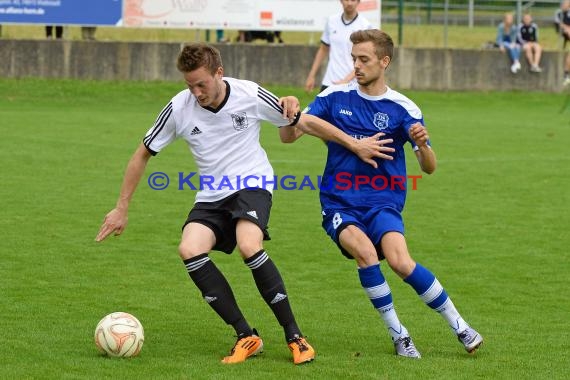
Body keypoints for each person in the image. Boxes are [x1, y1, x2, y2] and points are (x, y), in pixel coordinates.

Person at [95, 43, 390, 365]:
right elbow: (142, 154)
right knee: (189, 248)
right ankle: (245, 335)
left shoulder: (248, 94)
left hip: (253, 183)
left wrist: (338, 135)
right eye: (189, 85)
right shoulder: (179, 108)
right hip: (211, 193)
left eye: (201, 84)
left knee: (248, 244)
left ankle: (295, 335)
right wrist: (121, 207)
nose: (196, 92)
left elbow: (296, 128)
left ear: (218, 73)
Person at [280, 29, 483, 359]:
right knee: (366, 254)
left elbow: (429, 166)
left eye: (364, 59)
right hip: (340, 201)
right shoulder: (334, 96)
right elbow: (289, 137)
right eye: (354, 59)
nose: (356, 66)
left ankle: (460, 325)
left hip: (383, 200)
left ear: (384, 62)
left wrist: (420, 143)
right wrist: (289, 114)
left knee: (402, 262)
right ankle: (400, 336)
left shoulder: (402, 108)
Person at [305, 0, 373, 93]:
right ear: (341, 1)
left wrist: (345, 81)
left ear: (358, 2)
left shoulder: (365, 26)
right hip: (329, 82)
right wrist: (311, 75)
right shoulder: (331, 21)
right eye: (346, 0)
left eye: (353, 0)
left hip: (352, 84)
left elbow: (364, 60)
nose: (349, 3)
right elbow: (323, 49)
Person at [555, 0, 570, 85]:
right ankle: (566, 75)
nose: (564, 5)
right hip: (564, 32)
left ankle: (567, 75)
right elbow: (558, 24)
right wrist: (567, 28)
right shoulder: (558, 13)